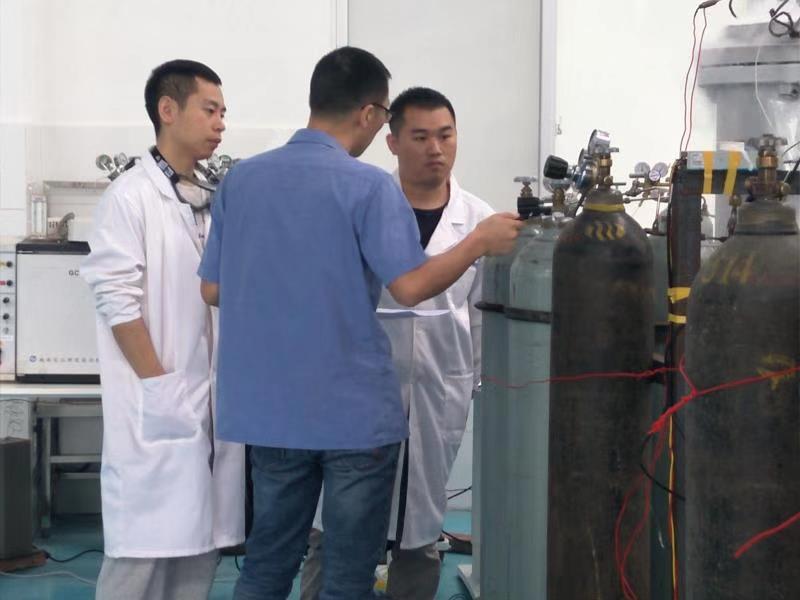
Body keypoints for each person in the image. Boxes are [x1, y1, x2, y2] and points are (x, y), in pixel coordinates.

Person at [198, 46, 520, 600]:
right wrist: (478, 242)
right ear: (372, 115)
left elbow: (213, 289)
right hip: (353, 417)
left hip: (271, 413)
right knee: (348, 578)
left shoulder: (241, 180)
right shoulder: (369, 186)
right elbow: (410, 286)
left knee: (266, 566)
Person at [300, 87, 492, 600]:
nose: (436, 149)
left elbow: (480, 318)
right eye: (421, 137)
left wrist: (475, 383)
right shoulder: (360, 204)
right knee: (335, 525)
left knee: (420, 528)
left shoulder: (479, 220)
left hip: (437, 392)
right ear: (392, 142)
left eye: (445, 136)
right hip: (357, 393)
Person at [82, 59, 245, 600]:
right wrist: (159, 386)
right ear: (168, 110)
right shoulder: (130, 197)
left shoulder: (210, 197)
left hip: (208, 403)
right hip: (157, 403)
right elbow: (117, 302)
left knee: (198, 554)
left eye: (223, 112)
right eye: (210, 110)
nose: (221, 123)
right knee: (140, 560)